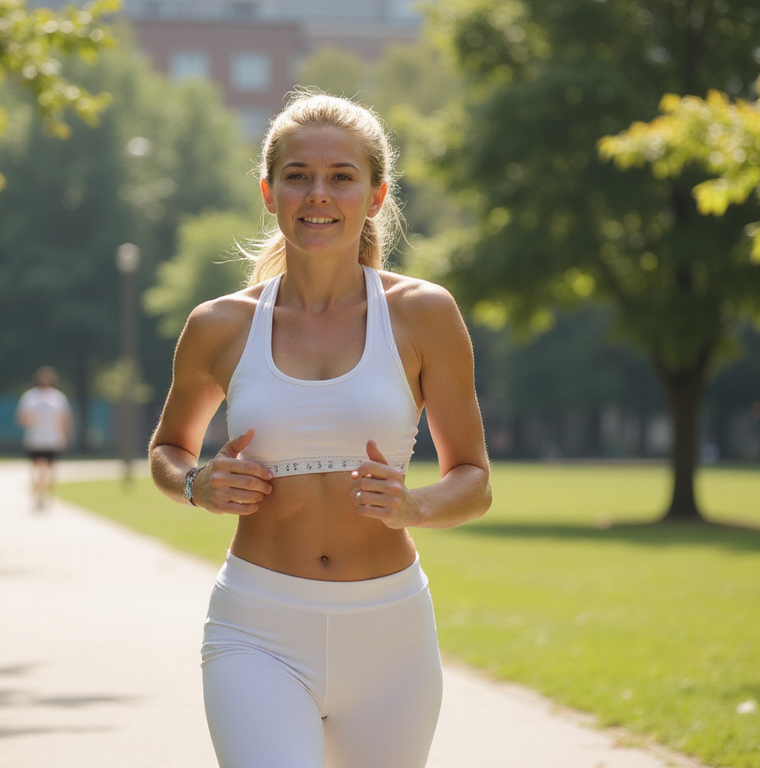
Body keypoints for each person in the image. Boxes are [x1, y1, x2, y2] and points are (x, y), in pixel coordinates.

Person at [149, 91, 492, 768]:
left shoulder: (424, 314)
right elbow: (167, 450)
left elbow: (474, 480)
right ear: (268, 192)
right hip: (258, 628)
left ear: (375, 194)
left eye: (341, 177)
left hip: (389, 636)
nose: (318, 194)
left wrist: (414, 504)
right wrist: (196, 484)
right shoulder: (219, 325)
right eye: (298, 175)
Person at [16, 366, 71, 510]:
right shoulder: (30, 397)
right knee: (38, 468)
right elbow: (22, 418)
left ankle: (49, 496)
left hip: (53, 438)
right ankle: (38, 496)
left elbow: (63, 419)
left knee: (51, 470)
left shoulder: (58, 397)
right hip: (35, 439)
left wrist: (63, 436)